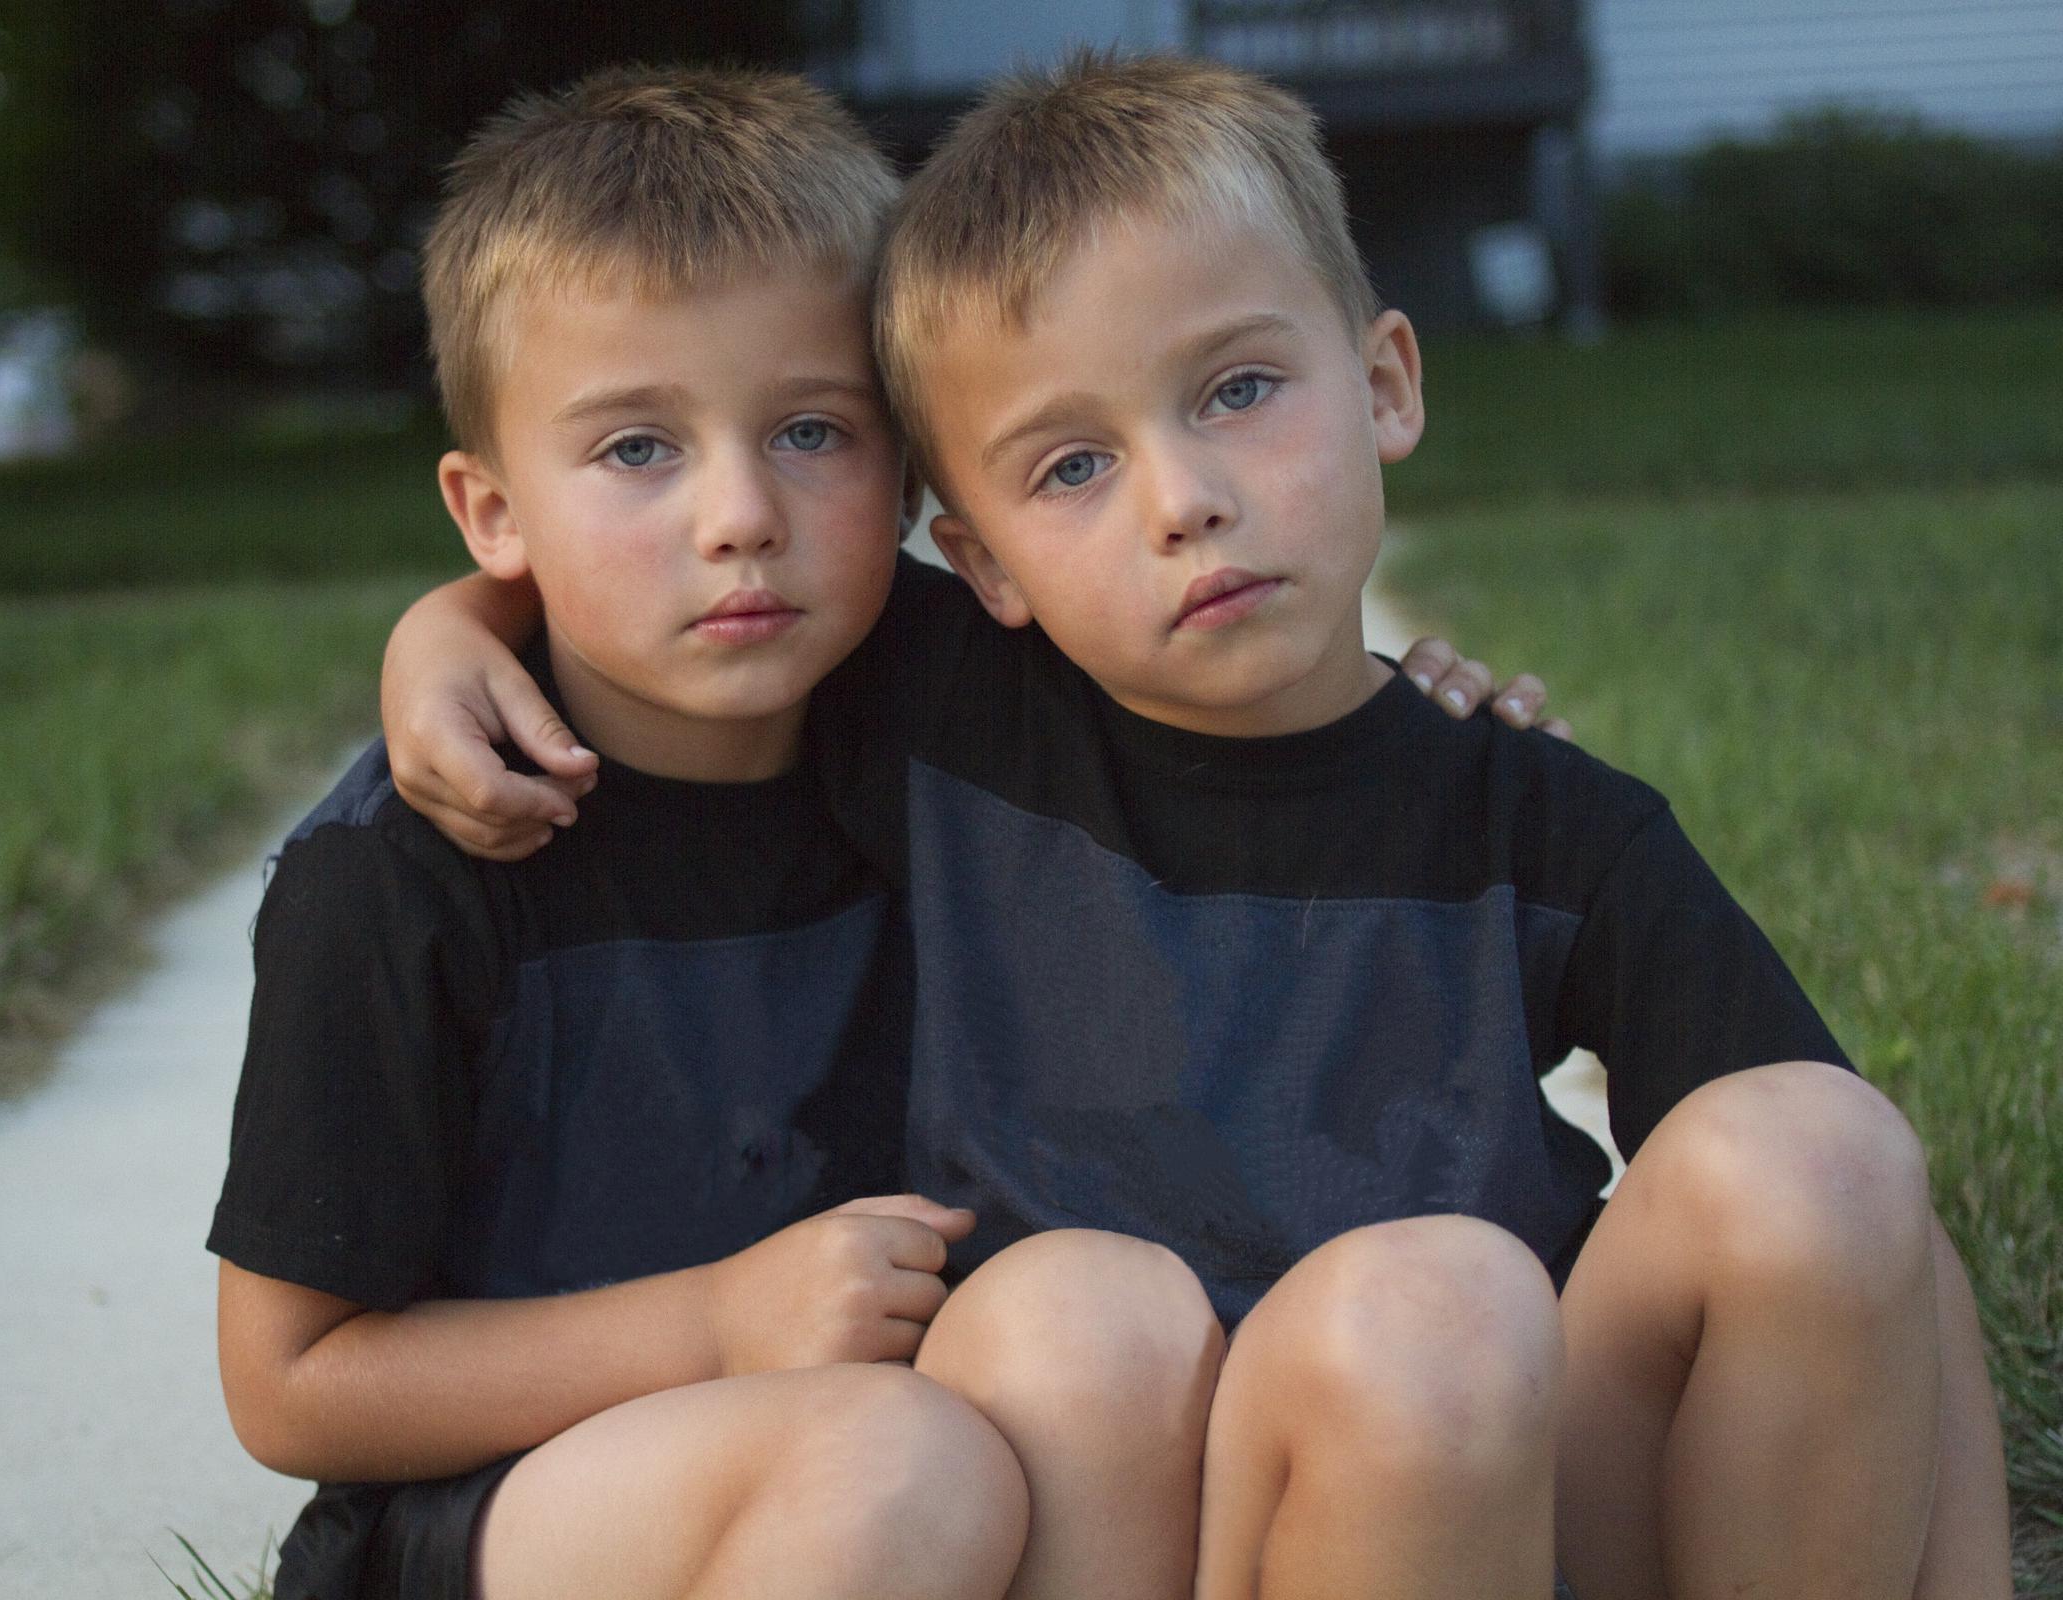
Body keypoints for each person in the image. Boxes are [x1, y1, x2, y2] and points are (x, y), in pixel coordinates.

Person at [375, 53, 2014, 1600]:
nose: (1183, 498)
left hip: (1498, 1466)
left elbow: (1876, 1244)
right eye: (1074, 465)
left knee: (1809, 1153)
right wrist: (451, 632)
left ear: (1383, 383)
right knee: (1227, 1310)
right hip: (1122, 1486)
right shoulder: (942, 715)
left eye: (1236, 390)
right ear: (986, 563)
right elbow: (648, 596)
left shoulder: (1537, 816)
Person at [208, 67, 1035, 1600]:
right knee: (891, 1463)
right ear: (491, 511)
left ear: (910, 468)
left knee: (1079, 1359)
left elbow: (1216, 694)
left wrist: (1438, 709)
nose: (739, 514)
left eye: (811, 430)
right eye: (636, 449)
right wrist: (715, 1327)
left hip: (887, 1463)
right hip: (502, 1510)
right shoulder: (395, 877)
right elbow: (289, 1383)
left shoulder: (958, 720)